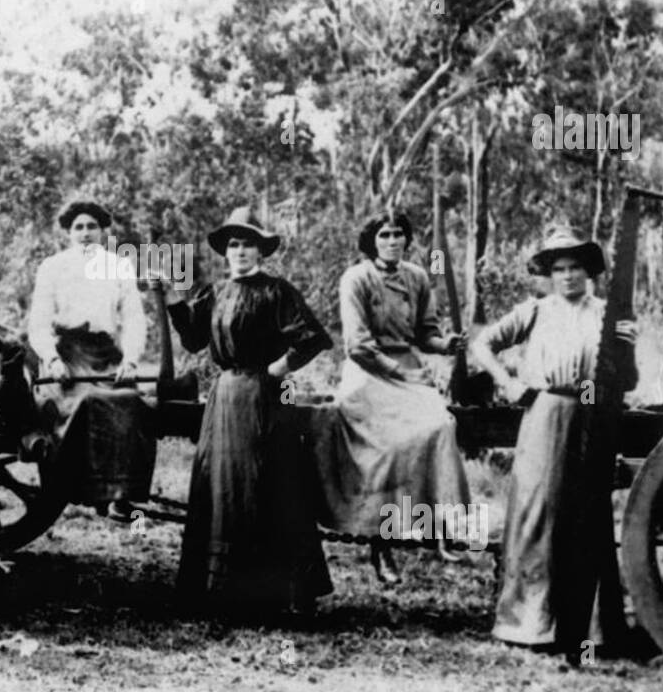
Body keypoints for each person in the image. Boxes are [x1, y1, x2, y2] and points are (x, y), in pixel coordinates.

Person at [471, 224, 638, 651]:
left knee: (588, 513)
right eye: (560, 268)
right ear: (549, 273)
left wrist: (625, 348)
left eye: (576, 267)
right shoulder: (536, 310)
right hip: (546, 413)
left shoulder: (608, 313)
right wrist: (507, 383)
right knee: (536, 512)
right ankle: (530, 623)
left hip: (592, 414)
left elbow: (630, 380)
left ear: (589, 271)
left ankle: (591, 628)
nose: (568, 276)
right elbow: (483, 345)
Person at [161, 206, 333, 617]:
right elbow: (194, 342)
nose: (240, 251)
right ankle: (222, 593)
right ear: (226, 251)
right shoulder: (215, 292)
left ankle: (276, 592)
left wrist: (274, 370)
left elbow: (311, 339)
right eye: (234, 244)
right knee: (222, 487)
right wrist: (170, 297)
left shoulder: (277, 291)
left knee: (270, 484)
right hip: (224, 398)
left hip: (268, 400)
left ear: (261, 250)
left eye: (248, 243)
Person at [312, 211, 472, 584]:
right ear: (372, 241)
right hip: (369, 373)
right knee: (384, 448)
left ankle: (441, 527)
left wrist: (446, 344)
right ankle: (379, 544)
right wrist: (401, 372)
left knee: (440, 426)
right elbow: (358, 346)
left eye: (399, 234)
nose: (393, 241)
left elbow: (426, 333)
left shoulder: (416, 277)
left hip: (410, 370)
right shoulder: (356, 278)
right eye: (384, 235)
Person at [27, 200, 155, 518]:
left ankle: (120, 494)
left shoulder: (119, 266)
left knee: (130, 401)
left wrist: (131, 361)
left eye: (91, 227)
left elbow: (134, 319)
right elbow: (39, 323)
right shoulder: (53, 267)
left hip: (106, 355)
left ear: (102, 231)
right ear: (69, 233)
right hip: (68, 356)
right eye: (79, 228)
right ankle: (76, 486)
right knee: (87, 402)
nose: (85, 234)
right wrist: (52, 360)